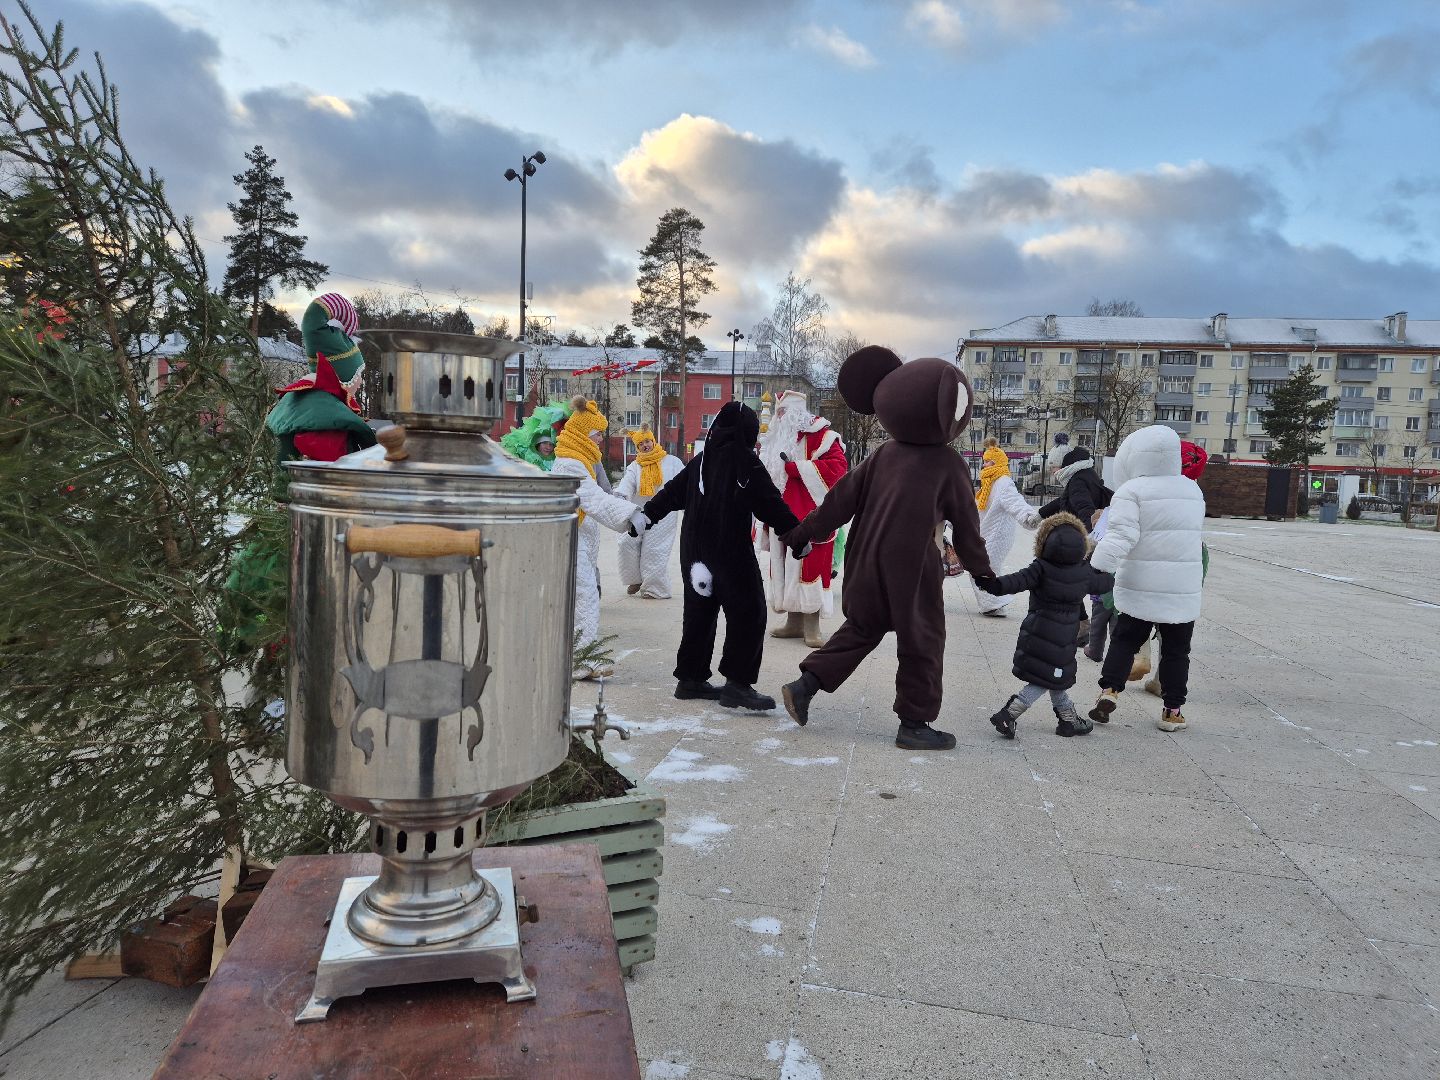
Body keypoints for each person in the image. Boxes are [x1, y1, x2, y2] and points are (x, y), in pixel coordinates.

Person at [779, 348, 992, 751]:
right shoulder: (949, 464)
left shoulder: (882, 456)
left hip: (866, 561)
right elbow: (967, 526)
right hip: (912, 570)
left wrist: (804, 532)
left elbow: (840, 500)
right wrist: (982, 571)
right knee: (922, 639)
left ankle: (805, 686)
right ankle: (914, 723)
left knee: (861, 629)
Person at [636, 402, 798, 711]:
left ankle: (691, 678)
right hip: (729, 552)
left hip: (694, 554)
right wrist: (797, 537)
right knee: (748, 612)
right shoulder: (746, 465)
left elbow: (671, 493)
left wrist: (646, 516)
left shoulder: (701, 461)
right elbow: (771, 504)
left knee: (699, 613)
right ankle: (738, 683)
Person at [1086, 425, 1206, 732]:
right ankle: (1172, 711)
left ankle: (1109, 690)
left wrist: (1097, 565)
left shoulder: (1132, 491)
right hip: (1181, 588)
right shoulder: (1192, 490)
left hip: (1141, 585)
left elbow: (1121, 536)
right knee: (1177, 651)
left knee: (1125, 641)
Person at [977, 513, 1114, 738]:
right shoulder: (1084, 572)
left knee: (1054, 677)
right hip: (1064, 638)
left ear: (1043, 543)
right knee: (1048, 678)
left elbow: (1014, 581)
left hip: (1038, 632)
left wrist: (989, 584)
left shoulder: (1040, 567)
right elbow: (1105, 583)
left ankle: (1068, 720)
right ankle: (1008, 714)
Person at [549, 396, 647, 679]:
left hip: (578, 538)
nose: (601, 439)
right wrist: (629, 514)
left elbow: (599, 495)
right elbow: (593, 498)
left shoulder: (580, 460)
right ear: (583, 434)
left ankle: (582, 655)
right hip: (569, 540)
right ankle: (578, 658)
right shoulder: (570, 463)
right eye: (597, 434)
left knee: (583, 595)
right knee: (583, 594)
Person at [757, 390, 848, 647]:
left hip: (811, 517)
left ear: (796, 413)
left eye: (783, 412)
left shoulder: (822, 435)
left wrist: (796, 468)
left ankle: (812, 626)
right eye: (778, 412)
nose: (779, 417)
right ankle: (794, 622)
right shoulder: (777, 438)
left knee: (811, 568)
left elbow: (838, 469)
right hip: (781, 516)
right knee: (786, 569)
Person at [265, 292, 375, 465]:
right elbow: (331, 473)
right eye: (358, 373)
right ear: (343, 376)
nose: (360, 382)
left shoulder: (298, 402)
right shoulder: (327, 416)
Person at [971, 439, 1042, 618]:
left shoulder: (1003, 482)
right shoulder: (988, 483)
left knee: (984, 566)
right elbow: (978, 507)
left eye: (989, 462)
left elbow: (1015, 501)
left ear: (998, 463)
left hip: (998, 534)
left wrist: (1028, 516)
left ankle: (994, 603)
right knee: (981, 566)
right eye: (984, 461)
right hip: (987, 532)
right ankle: (993, 603)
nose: (985, 465)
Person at [616, 427, 684, 598]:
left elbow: (685, 483)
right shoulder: (635, 466)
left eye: (647, 441)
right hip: (638, 512)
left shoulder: (672, 462)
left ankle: (654, 589)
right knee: (626, 543)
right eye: (640, 444)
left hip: (664, 515)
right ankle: (636, 579)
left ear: (653, 441)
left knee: (653, 550)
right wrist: (620, 497)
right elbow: (626, 484)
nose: (645, 445)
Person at [498, 401, 568, 470]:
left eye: (551, 444)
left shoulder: (557, 461)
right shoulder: (526, 457)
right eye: (544, 443)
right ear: (538, 444)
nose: (548, 447)